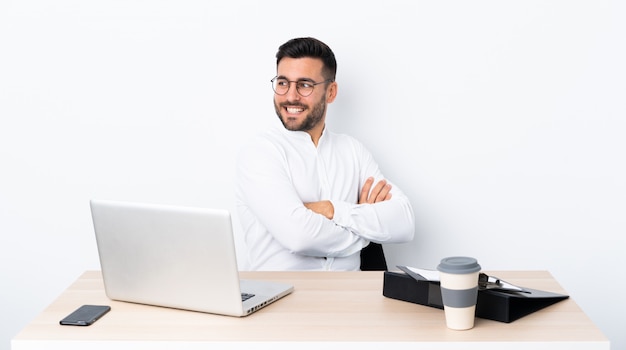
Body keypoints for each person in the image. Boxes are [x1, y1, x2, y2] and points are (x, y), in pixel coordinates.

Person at [236, 37, 415, 271]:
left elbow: (404, 222)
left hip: (350, 300)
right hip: (279, 300)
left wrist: (332, 209)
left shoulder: (353, 151)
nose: (291, 96)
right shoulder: (261, 153)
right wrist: (365, 231)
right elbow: (299, 237)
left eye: (305, 84)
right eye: (282, 83)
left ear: (331, 92)